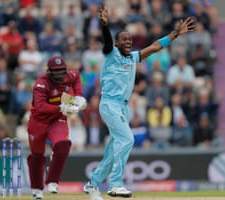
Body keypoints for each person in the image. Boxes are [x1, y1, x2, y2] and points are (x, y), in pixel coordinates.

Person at [83, 6, 195, 200]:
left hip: (123, 107)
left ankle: (93, 183)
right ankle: (116, 184)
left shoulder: (133, 57)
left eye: (129, 39)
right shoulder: (111, 54)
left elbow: (154, 47)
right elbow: (107, 41)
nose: (127, 41)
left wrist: (175, 34)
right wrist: (104, 25)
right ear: (117, 43)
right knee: (127, 139)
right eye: (123, 39)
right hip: (109, 104)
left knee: (113, 148)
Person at [27, 55, 87, 199]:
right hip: (38, 122)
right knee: (37, 156)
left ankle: (52, 179)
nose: (60, 74)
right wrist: (61, 108)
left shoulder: (69, 76)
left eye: (62, 70)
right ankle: (36, 188)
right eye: (56, 71)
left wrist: (78, 96)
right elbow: (40, 107)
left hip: (57, 120)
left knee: (63, 146)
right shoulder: (41, 84)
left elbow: (77, 76)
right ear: (49, 71)